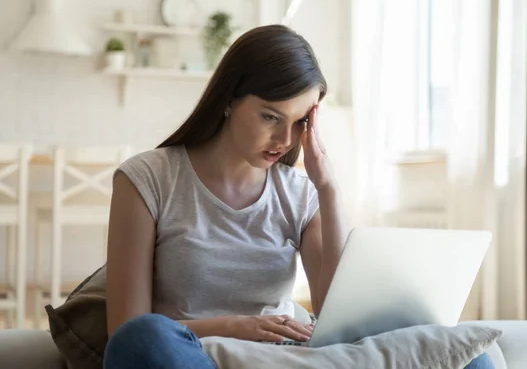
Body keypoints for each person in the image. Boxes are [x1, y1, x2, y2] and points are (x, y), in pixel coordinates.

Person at [102, 24, 494, 369]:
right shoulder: (148, 178)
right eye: (270, 117)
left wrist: (329, 189)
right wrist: (237, 326)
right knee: (143, 339)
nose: (285, 140)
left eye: (300, 122)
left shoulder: (300, 193)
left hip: (284, 356)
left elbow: (334, 313)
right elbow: (126, 327)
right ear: (228, 100)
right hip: (200, 356)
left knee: (463, 351)